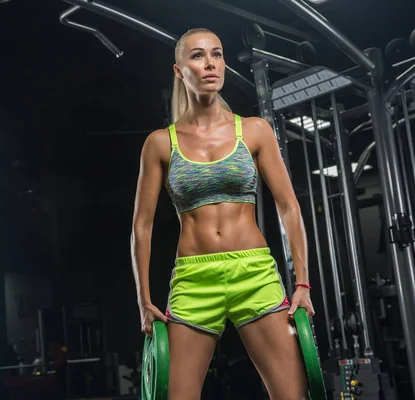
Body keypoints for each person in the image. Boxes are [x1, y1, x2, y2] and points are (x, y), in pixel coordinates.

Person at [130, 27, 315, 400]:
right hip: (194, 280)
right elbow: (142, 225)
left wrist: (303, 284)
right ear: (179, 70)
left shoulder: (255, 131)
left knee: (293, 396)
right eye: (197, 56)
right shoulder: (160, 143)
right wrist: (144, 301)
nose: (210, 63)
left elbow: (288, 206)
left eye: (217, 53)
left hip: (255, 274)